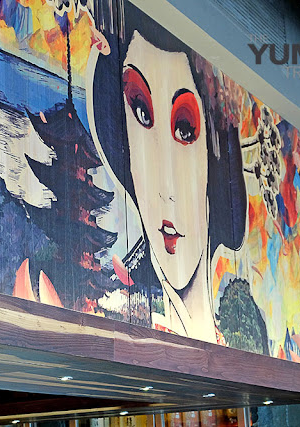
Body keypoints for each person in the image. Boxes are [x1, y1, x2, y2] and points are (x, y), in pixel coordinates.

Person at [88, 1, 257, 344]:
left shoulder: (244, 327)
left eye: (184, 129)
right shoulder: (123, 314)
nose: (164, 187)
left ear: (214, 156)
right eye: (141, 113)